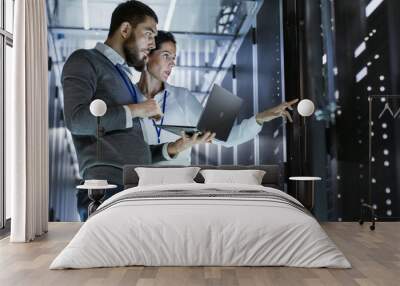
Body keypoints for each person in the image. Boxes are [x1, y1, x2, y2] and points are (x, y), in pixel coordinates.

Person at [62, 1, 214, 221]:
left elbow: (132, 150)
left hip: (134, 186)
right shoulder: (85, 60)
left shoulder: (123, 78)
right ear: (125, 30)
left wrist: (175, 147)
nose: (152, 44)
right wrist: (136, 110)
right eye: (148, 34)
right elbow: (77, 120)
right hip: (106, 189)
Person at [134, 30, 298, 165]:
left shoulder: (182, 97)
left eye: (174, 58)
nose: (172, 63)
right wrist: (175, 147)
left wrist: (260, 119)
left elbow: (228, 138)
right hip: (139, 186)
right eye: (166, 55)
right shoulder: (126, 98)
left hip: (179, 186)